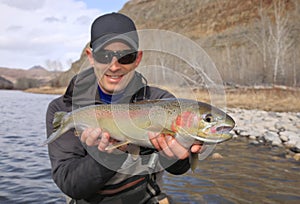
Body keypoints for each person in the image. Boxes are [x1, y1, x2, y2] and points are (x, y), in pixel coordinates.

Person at [46, 12, 202, 204]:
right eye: (104, 55)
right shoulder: (64, 109)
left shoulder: (161, 101)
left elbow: (179, 167)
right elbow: (70, 184)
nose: (114, 66)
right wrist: (107, 156)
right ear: (91, 57)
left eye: (125, 57)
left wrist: (181, 155)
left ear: (137, 58)